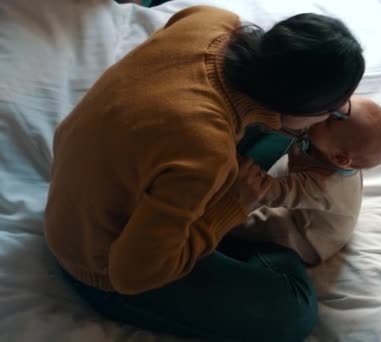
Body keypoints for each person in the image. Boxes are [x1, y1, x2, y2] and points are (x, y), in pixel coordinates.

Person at [44, 5, 364, 342]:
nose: (330, 120)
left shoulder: (211, 20)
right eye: (331, 113)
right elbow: (132, 275)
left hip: (79, 187)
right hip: (98, 260)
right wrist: (232, 209)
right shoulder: (204, 150)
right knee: (294, 312)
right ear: (304, 106)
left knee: (276, 133)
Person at [232, 97, 381, 265]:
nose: (323, 113)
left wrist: (234, 162)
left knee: (243, 220)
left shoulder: (324, 185)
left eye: (329, 119)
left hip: (308, 239)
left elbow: (264, 191)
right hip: (308, 202)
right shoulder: (326, 142)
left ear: (340, 158)